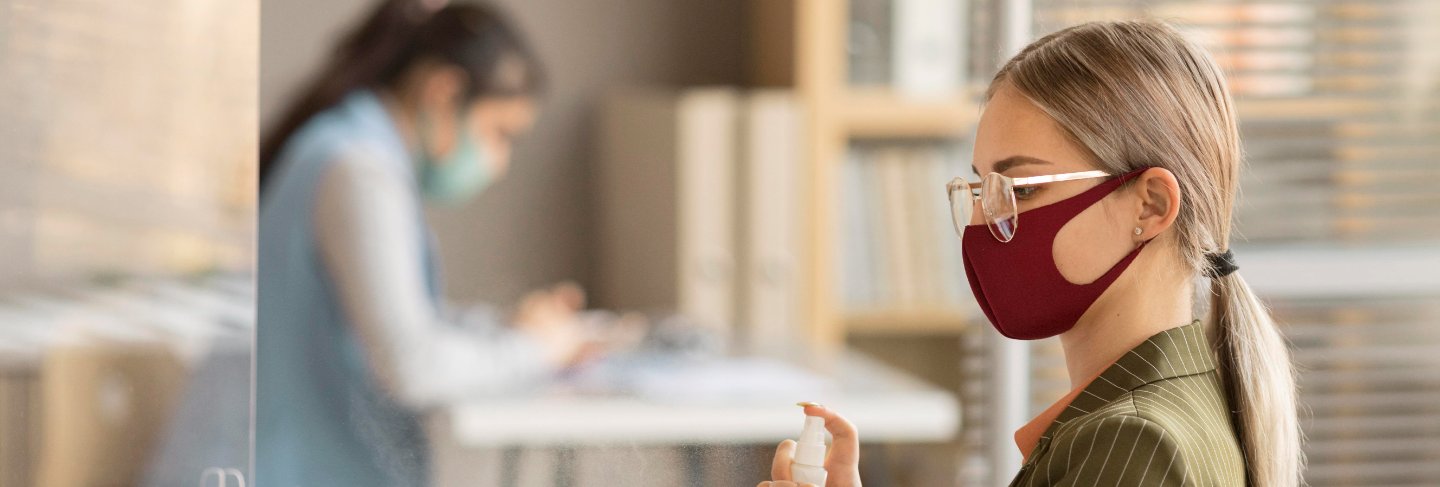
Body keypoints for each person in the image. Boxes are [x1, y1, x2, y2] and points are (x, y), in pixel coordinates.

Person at [759, 20, 1300, 487]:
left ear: (1150, 206)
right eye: (979, 189)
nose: (982, 221)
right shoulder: (1155, 412)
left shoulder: (1134, 442)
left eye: (1020, 190)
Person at [256, 1, 594, 486]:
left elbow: (385, 325)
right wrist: (535, 348)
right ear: (443, 93)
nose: (499, 163)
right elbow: (412, 365)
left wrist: (505, 330)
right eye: (498, 133)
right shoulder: (358, 171)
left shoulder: (350, 152)